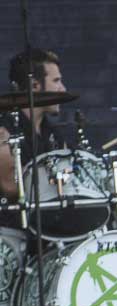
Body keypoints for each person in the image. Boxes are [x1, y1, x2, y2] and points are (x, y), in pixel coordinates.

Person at [0, 48, 65, 203]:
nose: (63, 89)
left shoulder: (53, 134)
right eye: (56, 81)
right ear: (34, 85)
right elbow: (10, 185)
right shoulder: (4, 129)